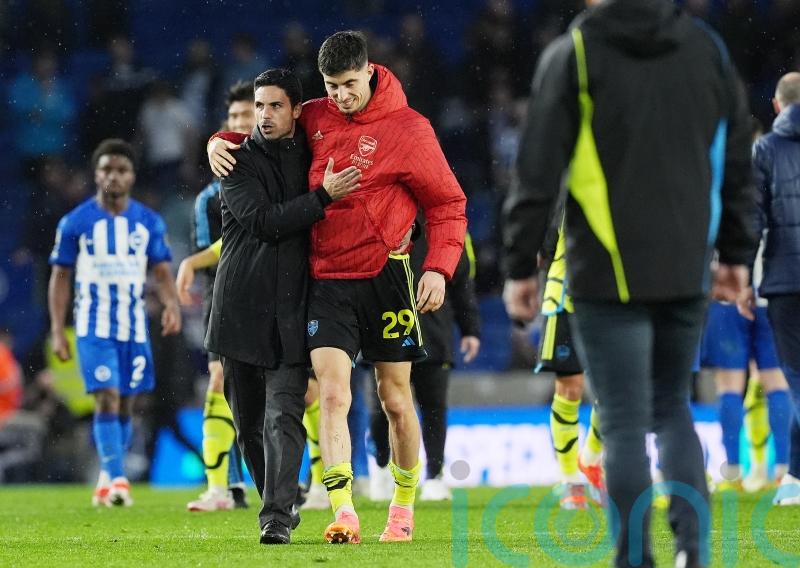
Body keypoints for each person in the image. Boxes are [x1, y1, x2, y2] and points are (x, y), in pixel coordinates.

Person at [502, 2, 758, 567]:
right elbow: (736, 156)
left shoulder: (574, 54)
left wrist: (521, 264)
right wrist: (737, 251)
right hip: (686, 265)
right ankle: (694, 551)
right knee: (671, 409)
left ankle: (634, 557)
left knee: (621, 420)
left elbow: (537, 168)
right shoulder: (706, 49)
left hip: (602, 272)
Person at [209, 31, 467, 544]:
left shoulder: (410, 129)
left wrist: (438, 267)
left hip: (389, 276)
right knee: (331, 394)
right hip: (326, 278)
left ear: (369, 72)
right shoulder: (319, 117)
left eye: (350, 85)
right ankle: (344, 511)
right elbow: (268, 129)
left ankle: (403, 506)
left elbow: (446, 203)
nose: (342, 97)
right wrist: (220, 141)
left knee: (395, 399)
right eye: (332, 86)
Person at [204, 68, 361, 545]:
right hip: (239, 310)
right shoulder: (235, 161)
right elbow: (263, 222)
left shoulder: (314, 155)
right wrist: (322, 197)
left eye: (275, 106)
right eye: (259, 106)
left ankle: (275, 515)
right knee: (249, 425)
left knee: (281, 415)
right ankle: (281, 499)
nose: (264, 115)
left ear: (297, 110)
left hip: (294, 311)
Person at [48, 138, 182, 507]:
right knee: (106, 396)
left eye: (121, 170)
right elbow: (60, 277)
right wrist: (59, 330)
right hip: (93, 327)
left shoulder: (148, 222)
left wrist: (171, 304)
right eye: (107, 169)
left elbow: (161, 270)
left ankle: (108, 474)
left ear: (132, 176)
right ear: (96, 174)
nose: (114, 176)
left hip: (134, 327)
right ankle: (119, 477)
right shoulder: (75, 222)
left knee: (127, 404)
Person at [182, 81, 255, 513]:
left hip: (278, 295)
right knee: (219, 383)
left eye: (246, 116)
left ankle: (321, 485)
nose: (240, 124)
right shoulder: (209, 197)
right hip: (226, 299)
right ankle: (219, 488)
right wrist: (193, 263)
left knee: (305, 390)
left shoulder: (284, 176)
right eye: (233, 119)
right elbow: (214, 261)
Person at [369, 222, 481, 502]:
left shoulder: (447, 226)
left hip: (434, 330)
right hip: (386, 328)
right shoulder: (380, 211)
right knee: (382, 407)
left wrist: (470, 329)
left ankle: (434, 476)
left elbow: (461, 280)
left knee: (433, 407)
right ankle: (382, 468)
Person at [742, 71, 800, 507]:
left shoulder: (764, 149)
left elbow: (753, 219)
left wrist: (741, 274)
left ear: (777, 106)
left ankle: (795, 479)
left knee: (797, 379)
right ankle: (795, 476)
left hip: (784, 282)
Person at [536, 218, 604, 509]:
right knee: (569, 388)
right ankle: (570, 480)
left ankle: (590, 459)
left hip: (617, 298)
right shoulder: (571, 178)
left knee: (615, 388)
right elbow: (545, 241)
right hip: (568, 294)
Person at [701, 298, 790, 492]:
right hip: (768, 300)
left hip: (729, 300)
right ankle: (783, 470)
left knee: (729, 386)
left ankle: (734, 472)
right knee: (777, 384)